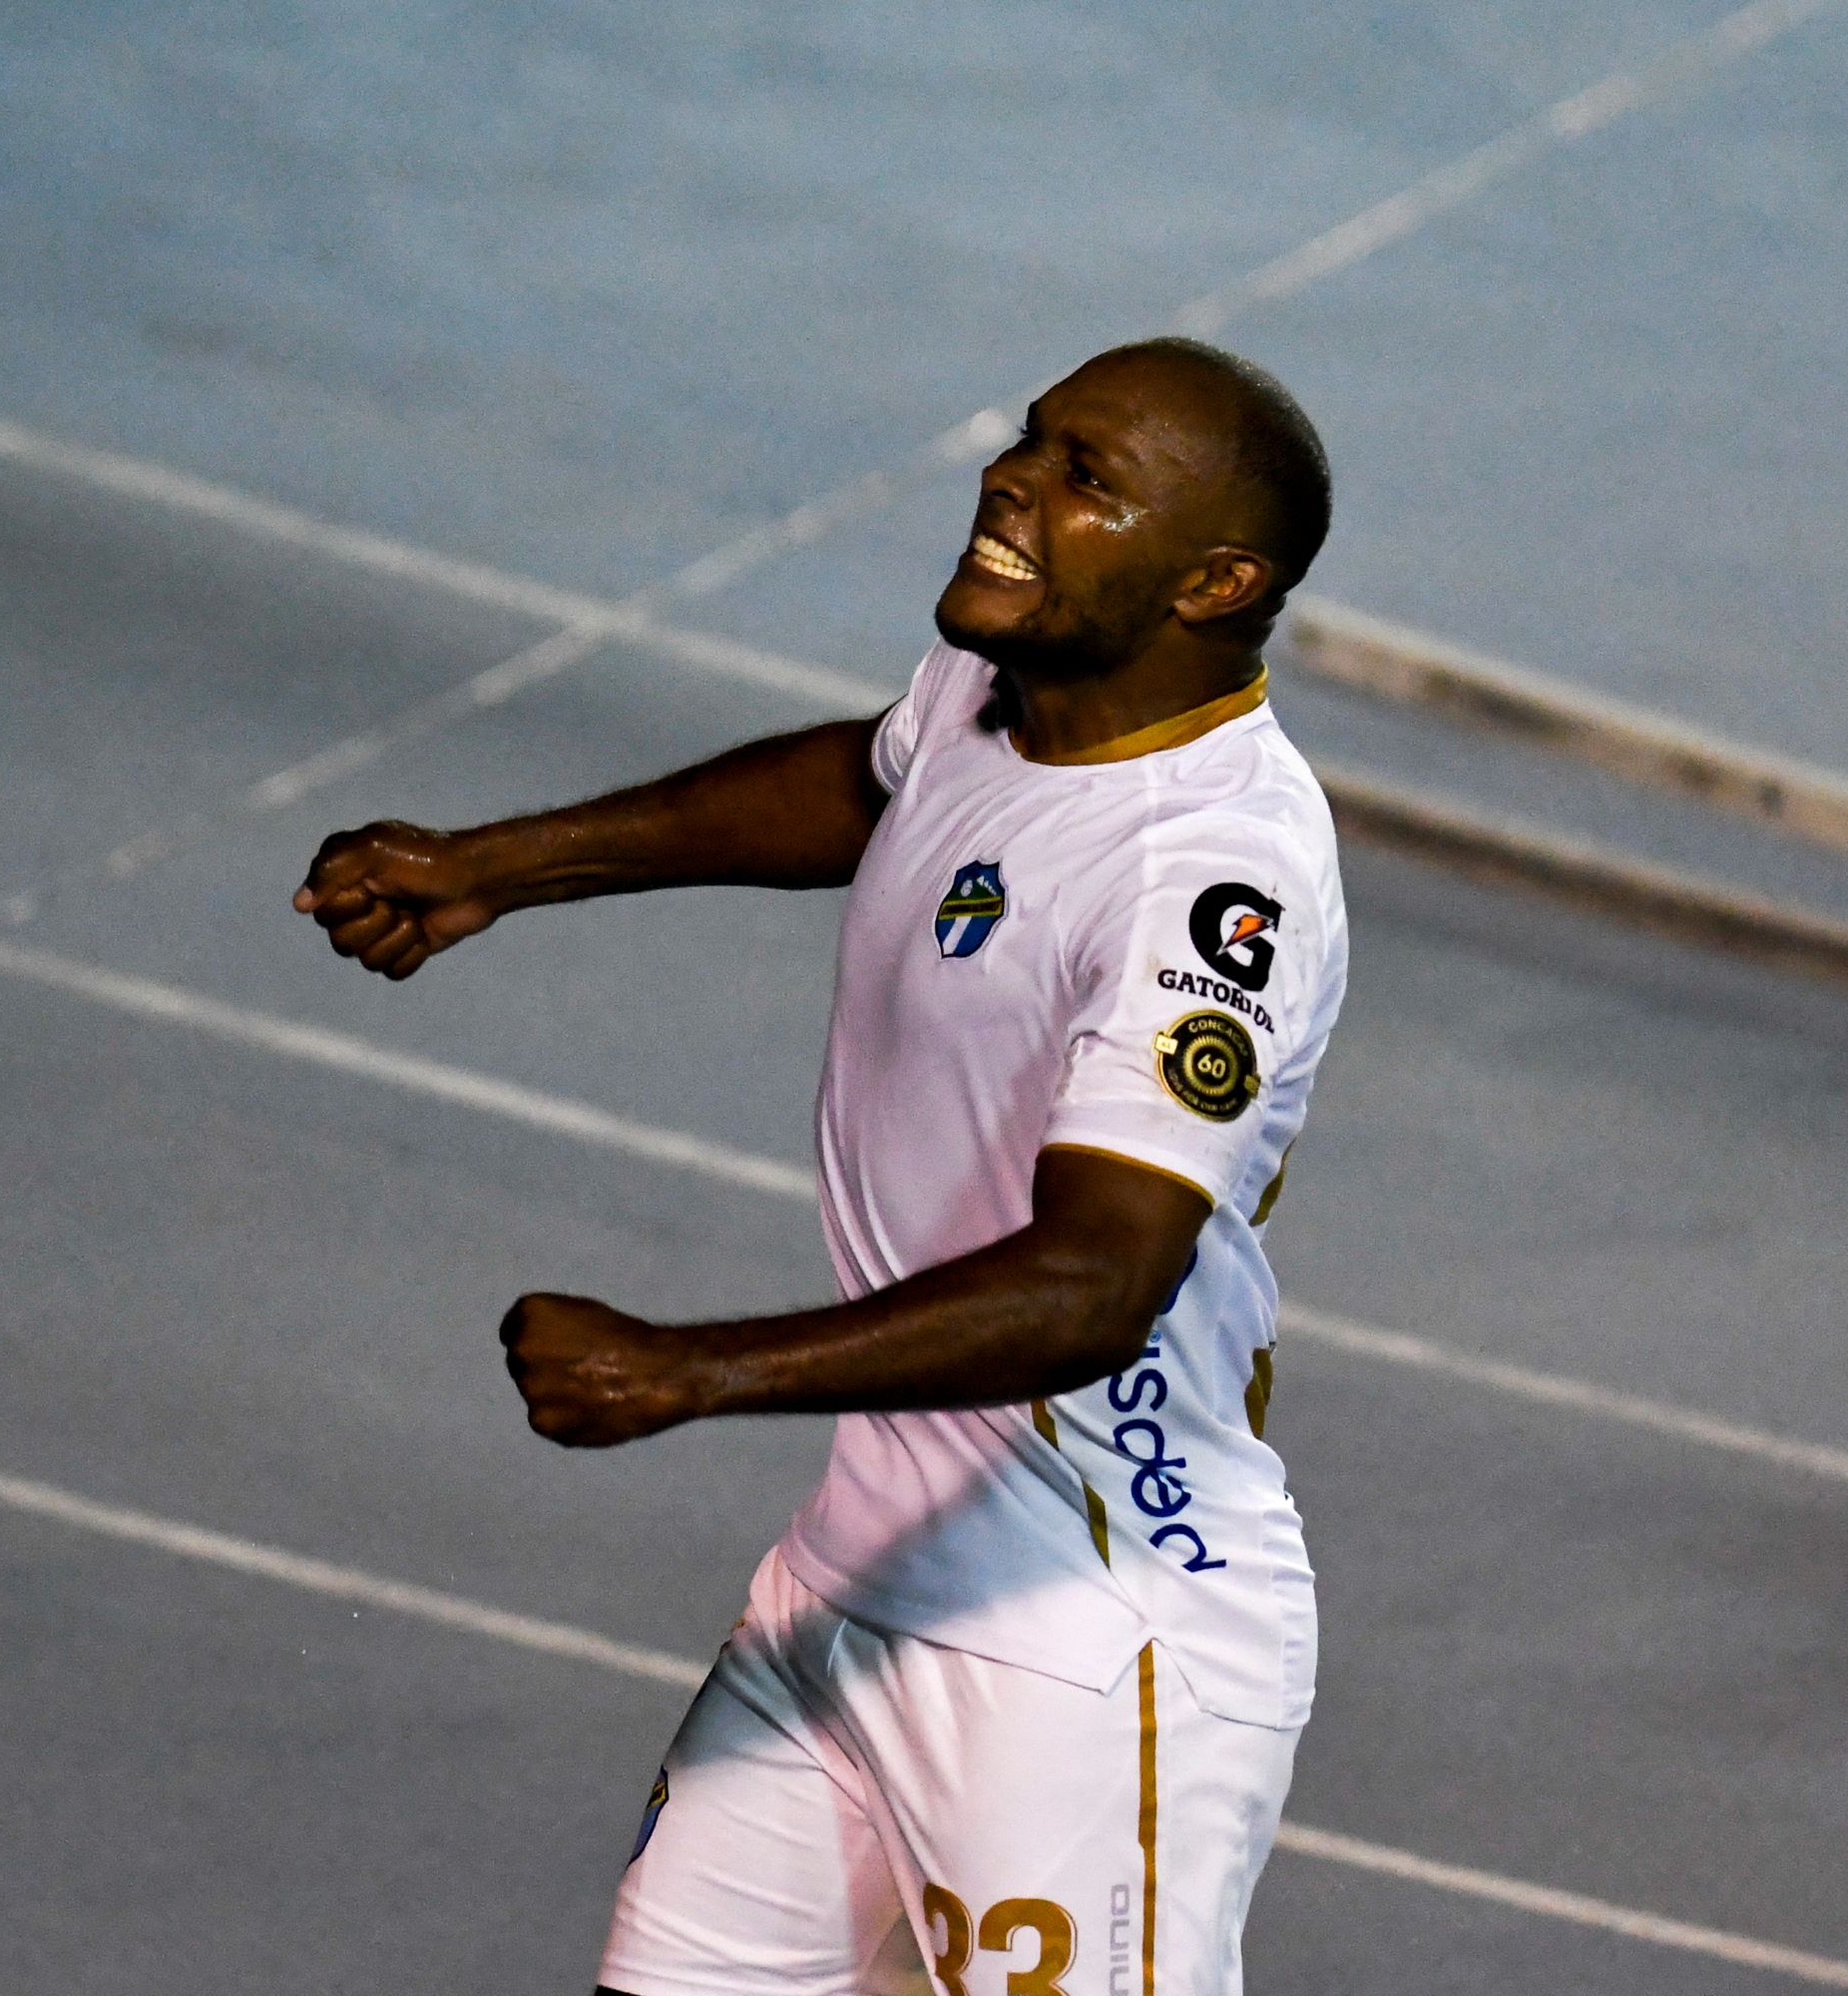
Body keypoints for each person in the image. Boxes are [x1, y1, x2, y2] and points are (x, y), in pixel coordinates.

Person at [294, 337, 1342, 1996]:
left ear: (1214, 582)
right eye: (1032, 442)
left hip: (1082, 1646)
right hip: (848, 1596)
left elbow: (1095, 1287)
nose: (1014, 482)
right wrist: (500, 867)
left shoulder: (1210, 882)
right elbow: (870, 786)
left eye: (1087, 480)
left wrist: (692, 1371)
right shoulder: (1010, 699)